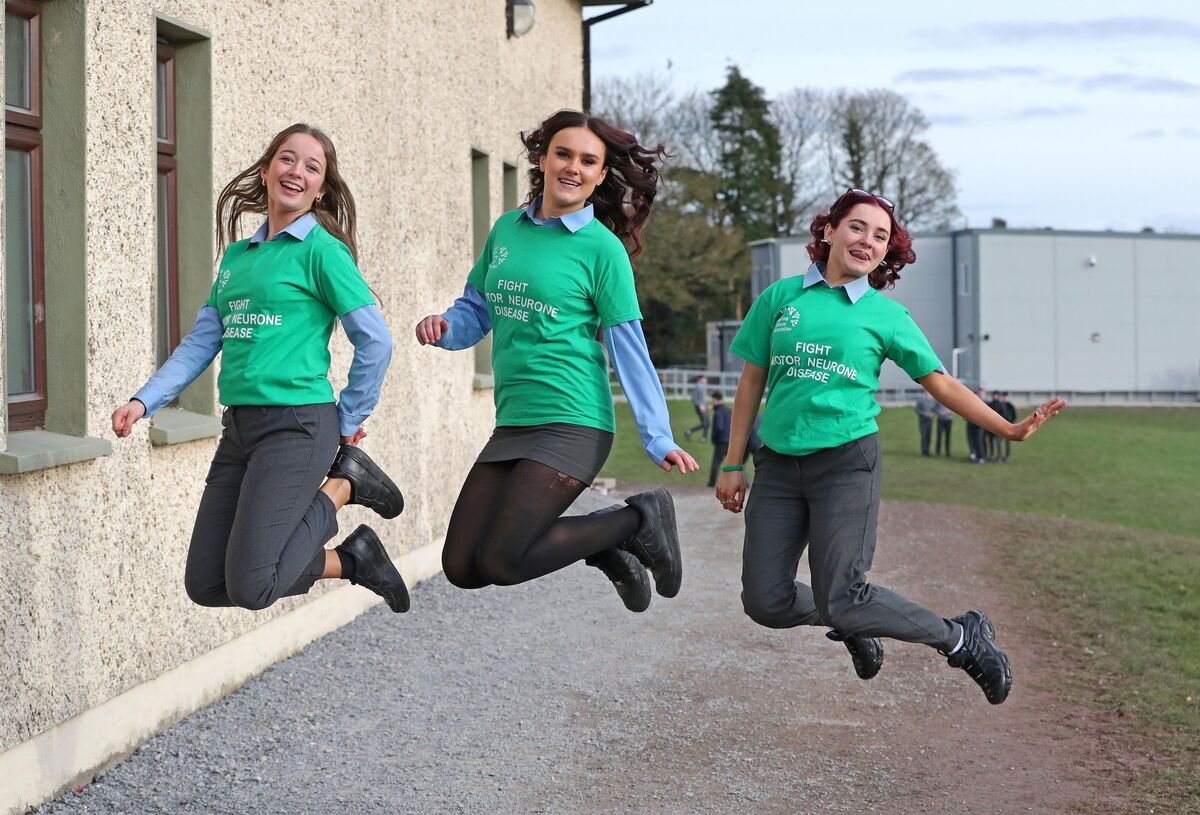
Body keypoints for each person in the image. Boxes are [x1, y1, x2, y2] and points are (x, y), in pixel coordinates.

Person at [714, 188, 1066, 704]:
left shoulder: (887, 316)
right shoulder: (779, 298)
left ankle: (962, 637)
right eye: (857, 227)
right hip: (778, 467)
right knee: (766, 602)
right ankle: (852, 620)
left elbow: (941, 383)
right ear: (829, 231)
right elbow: (750, 383)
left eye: (881, 236)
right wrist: (732, 461)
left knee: (846, 595)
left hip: (845, 464)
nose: (867, 241)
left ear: (885, 253)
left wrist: (1008, 429)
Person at [111, 123, 410, 614]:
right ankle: (353, 559)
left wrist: (350, 418)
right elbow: (201, 343)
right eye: (288, 159)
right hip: (241, 429)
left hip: (298, 425)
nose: (298, 172)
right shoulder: (237, 257)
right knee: (207, 583)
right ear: (268, 168)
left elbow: (375, 341)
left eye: (313, 167)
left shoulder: (321, 252)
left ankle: (345, 483)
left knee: (252, 586)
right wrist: (144, 400)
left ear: (321, 188)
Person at [415, 109, 698, 614]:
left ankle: (638, 521)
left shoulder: (601, 250)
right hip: (515, 420)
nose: (573, 167)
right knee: (462, 566)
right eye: (563, 154)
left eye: (588, 161)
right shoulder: (506, 230)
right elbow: (477, 309)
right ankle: (607, 544)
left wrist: (658, 437)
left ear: (600, 173)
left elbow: (629, 347)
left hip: (573, 420)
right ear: (542, 158)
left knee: (502, 560)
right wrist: (444, 328)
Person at [708, 391, 731, 488]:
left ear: (716, 399)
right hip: (731, 441)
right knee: (733, 462)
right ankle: (745, 483)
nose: (712, 402)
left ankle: (711, 483)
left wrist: (714, 438)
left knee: (716, 462)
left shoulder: (718, 412)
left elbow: (719, 427)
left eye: (712, 400)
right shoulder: (729, 410)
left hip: (721, 441)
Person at [685, 375, 710, 443]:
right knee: (704, 423)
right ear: (700, 379)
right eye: (704, 379)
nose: (705, 380)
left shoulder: (701, 386)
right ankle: (689, 431)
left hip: (703, 407)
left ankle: (704, 438)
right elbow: (694, 398)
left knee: (707, 423)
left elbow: (702, 398)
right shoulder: (698, 386)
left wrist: (705, 405)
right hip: (700, 407)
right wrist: (700, 405)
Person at [914, 390, 936, 456]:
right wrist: (924, 413)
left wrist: (933, 413)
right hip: (923, 420)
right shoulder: (921, 399)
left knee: (929, 435)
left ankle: (928, 450)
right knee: (924, 435)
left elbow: (935, 409)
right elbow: (916, 410)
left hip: (930, 420)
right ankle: (924, 451)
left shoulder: (933, 400)